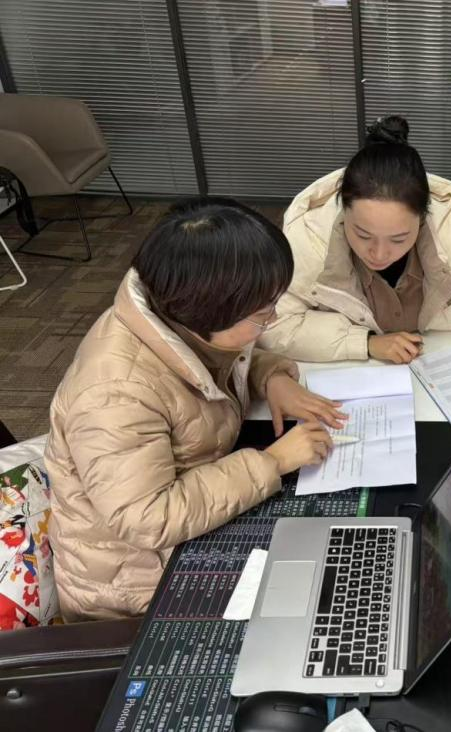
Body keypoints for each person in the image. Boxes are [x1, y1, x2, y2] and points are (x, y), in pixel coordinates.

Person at [45, 198, 347, 621]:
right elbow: (148, 518)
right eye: (263, 313)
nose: (273, 318)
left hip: (193, 520)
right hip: (136, 587)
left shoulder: (174, 309)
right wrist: (273, 462)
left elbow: (215, 361)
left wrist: (270, 377)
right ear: (207, 314)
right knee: (315, 599)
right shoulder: (115, 394)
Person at [259, 115, 451, 401]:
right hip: (362, 381)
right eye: (362, 235)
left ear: (422, 220)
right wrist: (365, 342)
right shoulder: (311, 240)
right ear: (342, 213)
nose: (379, 254)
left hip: (446, 374)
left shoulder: (450, 228)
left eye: (398, 239)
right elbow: (274, 325)